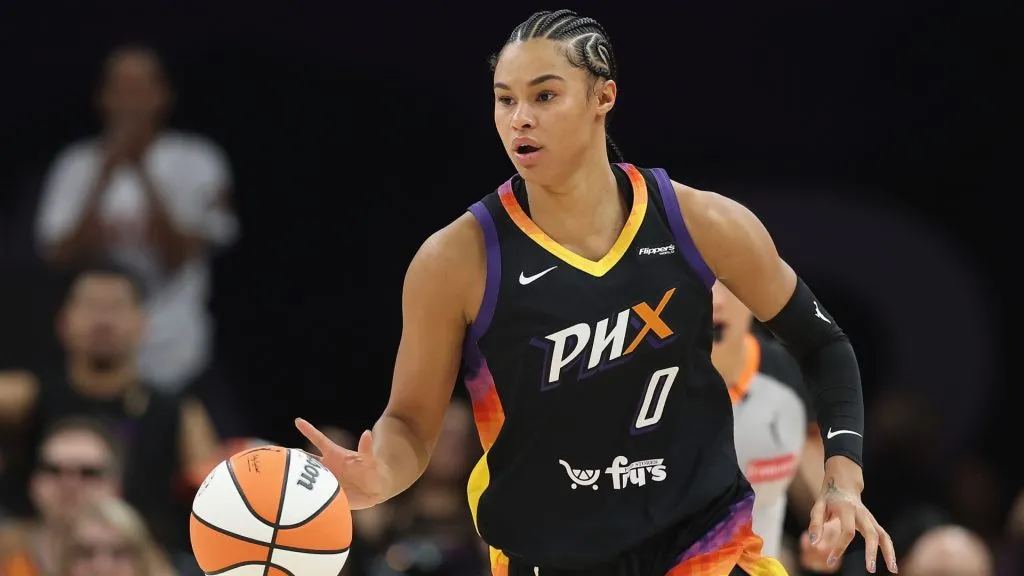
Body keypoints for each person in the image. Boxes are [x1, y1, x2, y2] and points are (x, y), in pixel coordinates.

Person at [297, 9, 896, 576]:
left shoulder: (699, 222)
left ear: (602, 97)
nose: (519, 118)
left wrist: (843, 481)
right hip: (548, 556)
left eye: (544, 95)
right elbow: (409, 423)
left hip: (703, 542)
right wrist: (381, 476)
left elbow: (824, 343)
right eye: (505, 99)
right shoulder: (456, 260)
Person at [711, 282, 843, 572]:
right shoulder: (642, 381)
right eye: (700, 281)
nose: (715, 301)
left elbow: (814, 471)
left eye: (728, 284)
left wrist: (830, 522)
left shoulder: (788, 373)